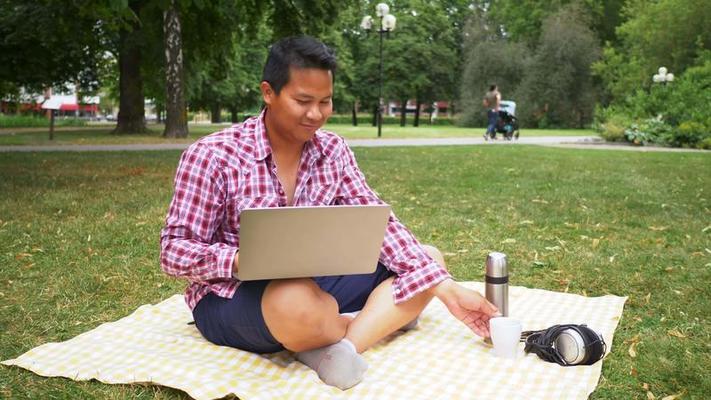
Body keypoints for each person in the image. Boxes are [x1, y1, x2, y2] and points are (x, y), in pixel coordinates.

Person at [160, 35, 499, 391]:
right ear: (268, 93)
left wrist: (445, 289)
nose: (316, 114)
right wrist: (241, 260)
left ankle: (340, 348)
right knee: (297, 304)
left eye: (325, 101)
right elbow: (173, 251)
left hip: (316, 283)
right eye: (303, 100)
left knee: (429, 260)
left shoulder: (333, 150)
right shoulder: (212, 155)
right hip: (232, 295)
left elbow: (381, 225)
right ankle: (375, 319)